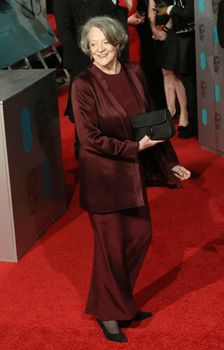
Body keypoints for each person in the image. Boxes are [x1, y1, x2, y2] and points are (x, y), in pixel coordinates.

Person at [72, 16, 190, 343]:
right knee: (111, 249)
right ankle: (109, 312)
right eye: (92, 45)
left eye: (103, 43)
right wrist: (132, 147)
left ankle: (119, 302)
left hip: (132, 174)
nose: (98, 50)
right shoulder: (83, 84)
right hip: (103, 178)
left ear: (117, 42)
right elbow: (89, 138)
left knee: (140, 236)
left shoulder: (135, 72)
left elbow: (151, 122)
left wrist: (170, 163)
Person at [53, 0, 129, 158]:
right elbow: (65, 31)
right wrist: (81, 67)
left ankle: (118, 154)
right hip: (84, 63)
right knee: (86, 115)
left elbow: (115, 13)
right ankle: (86, 159)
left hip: (111, 58)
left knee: (115, 108)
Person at [154, 0, 197, 138]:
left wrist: (169, 9)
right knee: (187, 81)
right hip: (183, 38)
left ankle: (194, 124)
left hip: (190, 40)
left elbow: (190, 11)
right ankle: (193, 123)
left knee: (190, 82)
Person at [148, 0, 189, 132]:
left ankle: (184, 113)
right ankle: (171, 110)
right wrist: (154, 30)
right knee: (165, 73)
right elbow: (151, 14)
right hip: (158, 36)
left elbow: (174, 12)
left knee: (175, 74)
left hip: (172, 34)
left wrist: (164, 30)